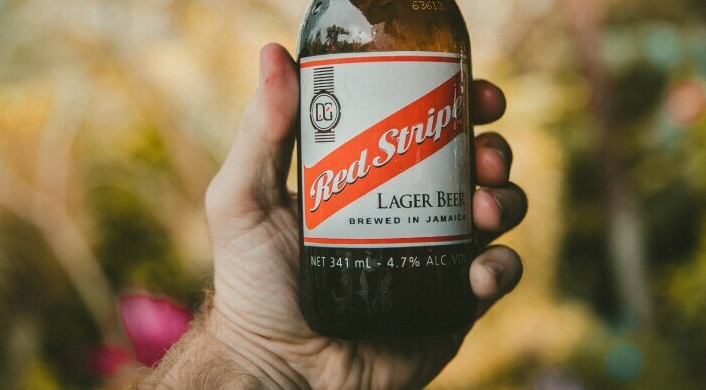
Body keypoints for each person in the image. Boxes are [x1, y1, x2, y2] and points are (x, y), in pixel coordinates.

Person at [138, 44, 527, 390]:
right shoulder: (334, 9)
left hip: (409, 302)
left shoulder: (350, 7)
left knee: (486, 185)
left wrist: (253, 357)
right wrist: (248, 348)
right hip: (322, 308)